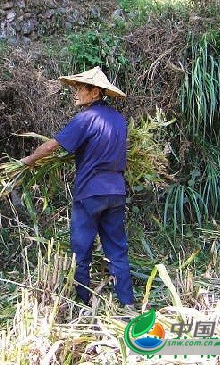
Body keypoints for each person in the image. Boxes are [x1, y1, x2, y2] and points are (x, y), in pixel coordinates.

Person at [20, 67, 135, 307]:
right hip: (116, 191)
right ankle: (127, 303)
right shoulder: (119, 120)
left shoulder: (85, 118)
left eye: (80, 88)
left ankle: (82, 302)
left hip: (90, 192)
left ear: (95, 92)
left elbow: (53, 146)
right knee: (117, 248)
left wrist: (26, 162)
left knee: (81, 251)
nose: (76, 92)